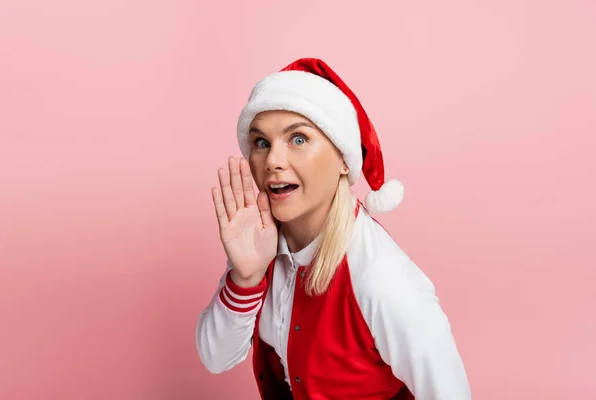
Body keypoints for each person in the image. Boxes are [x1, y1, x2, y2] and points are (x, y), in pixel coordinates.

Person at [195, 58, 471, 399]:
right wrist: (246, 278)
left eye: (298, 139)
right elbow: (216, 358)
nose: (273, 161)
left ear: (343, 157)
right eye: (261, 142)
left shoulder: (382, 279)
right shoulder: (261, 241)